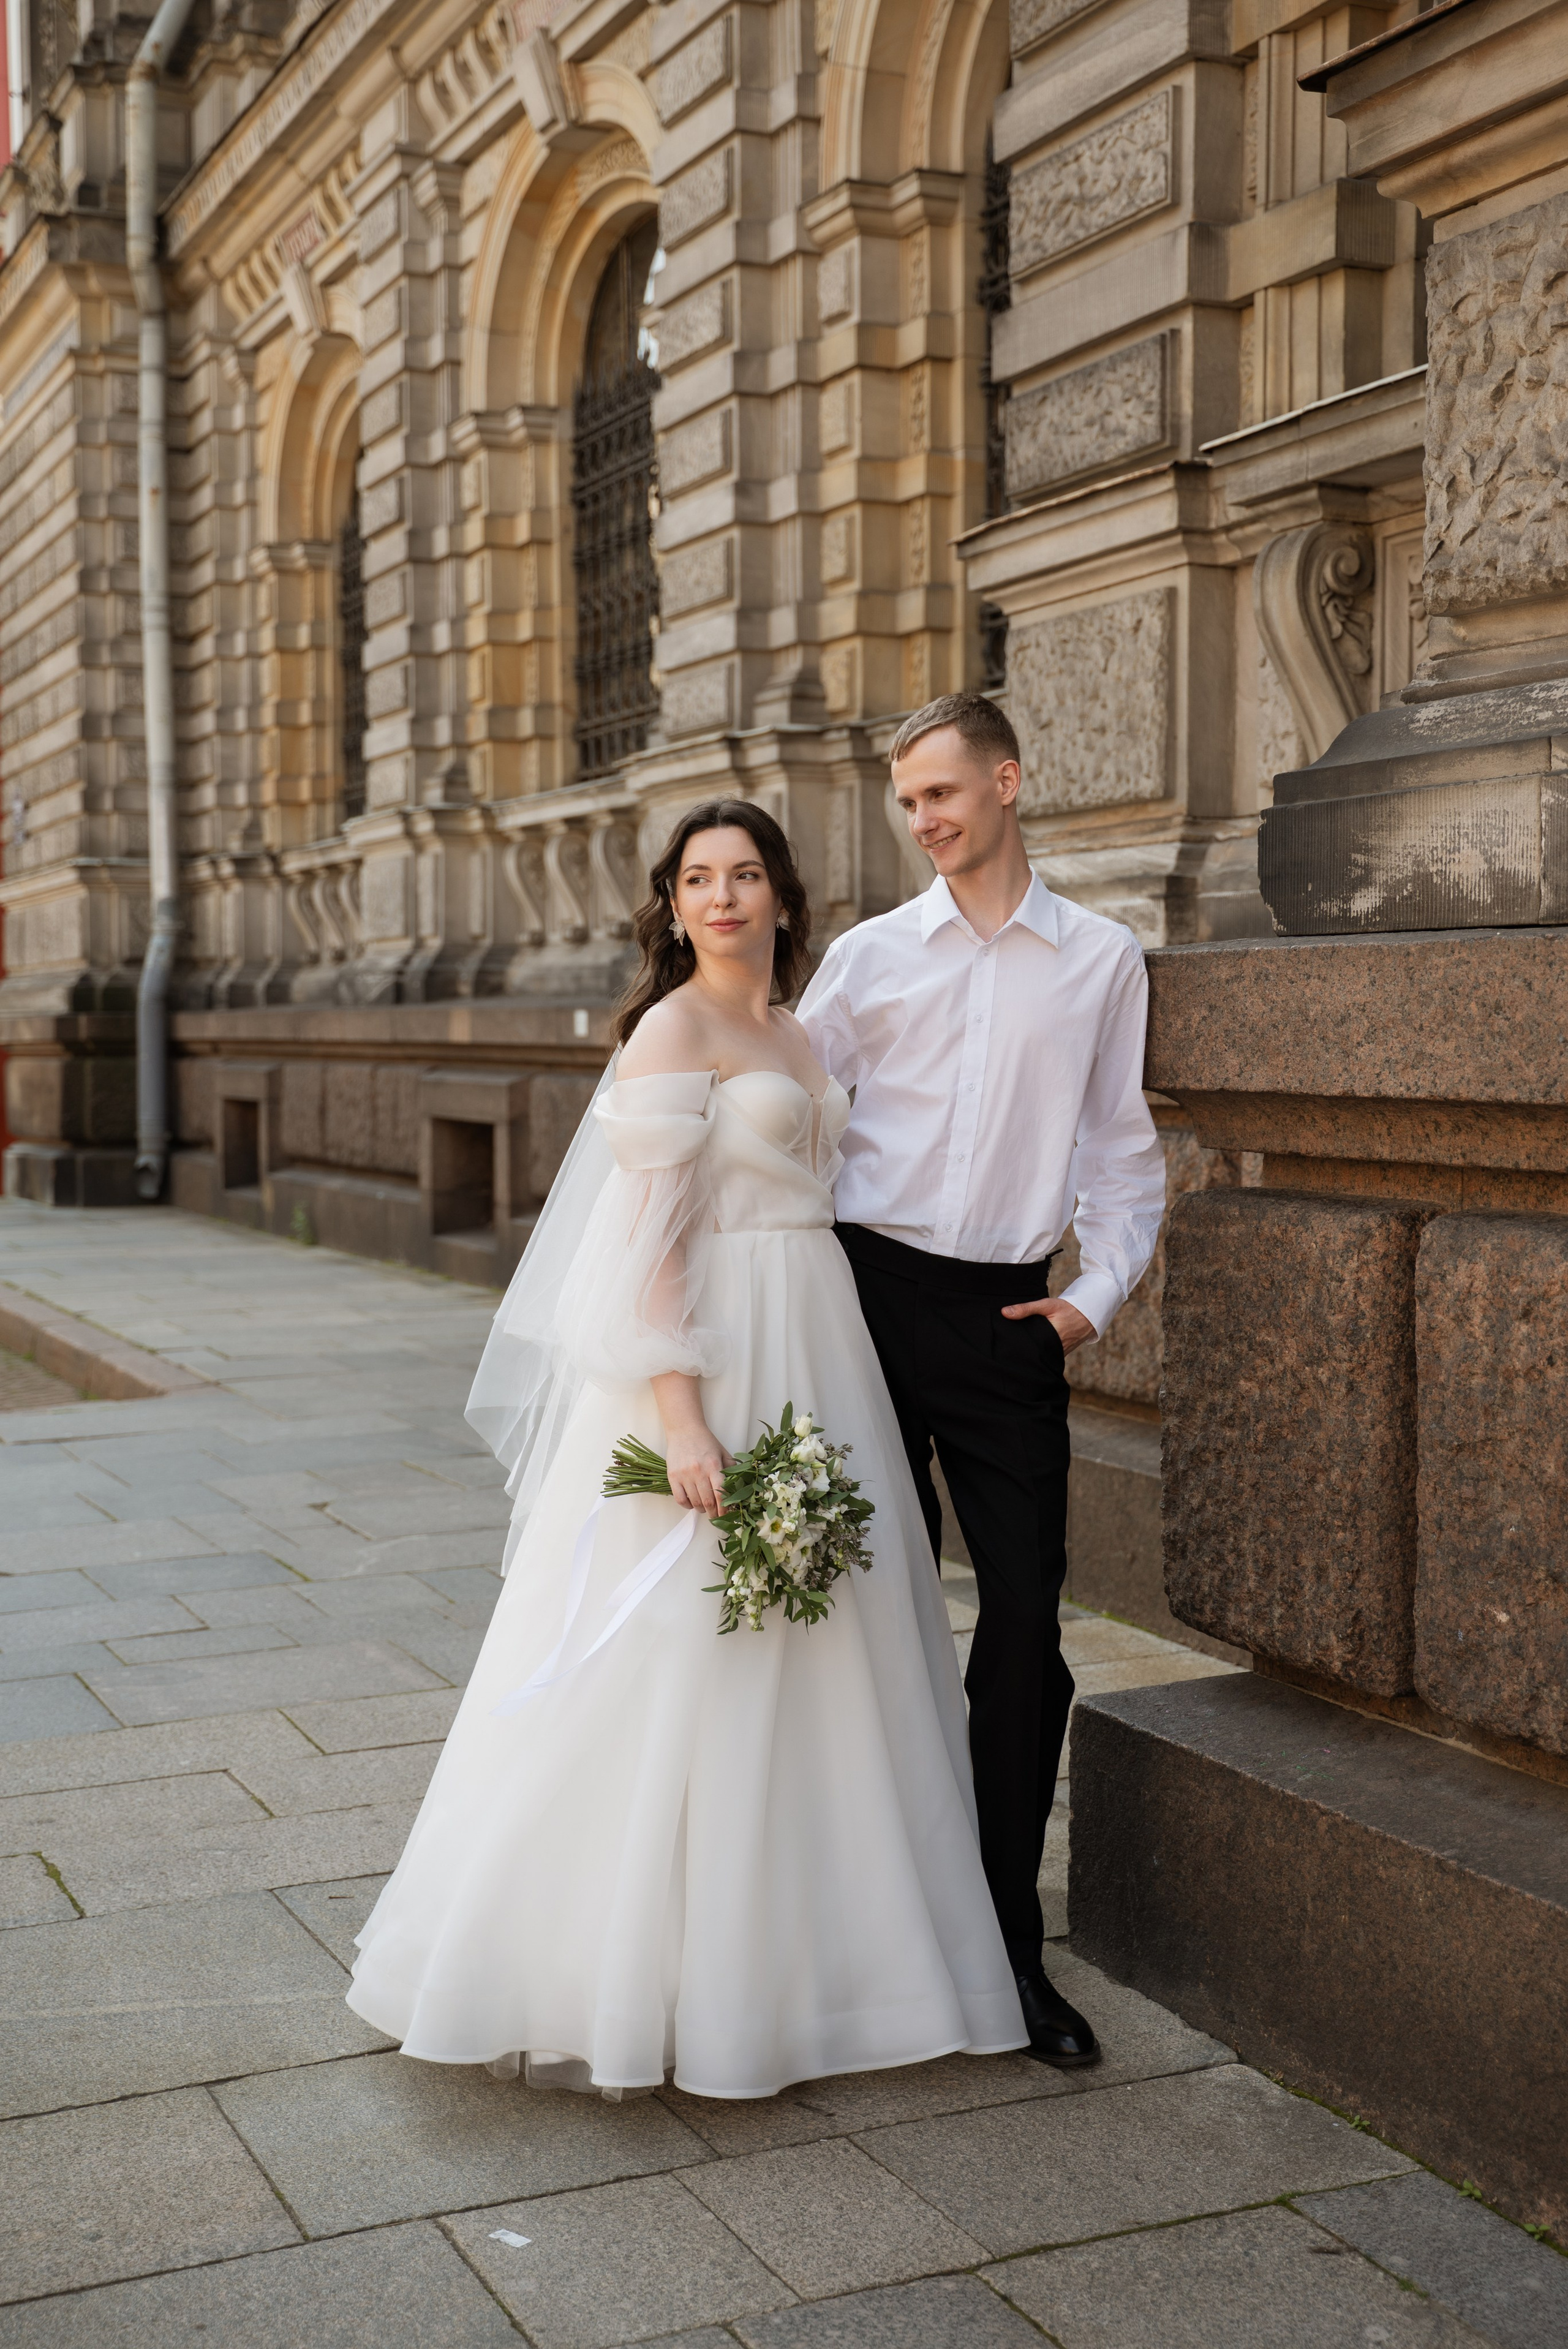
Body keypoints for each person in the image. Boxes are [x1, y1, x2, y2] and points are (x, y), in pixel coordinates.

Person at [347, 797, 1028, 2098]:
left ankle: (824, 1963)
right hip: (715, 1352)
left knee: (831, 1648)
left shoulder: (795, 1024)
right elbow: (641, 1247)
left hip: (820, 1344)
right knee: (686, 1646)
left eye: (745, 874)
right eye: (697, 880)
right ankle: (632, 1974)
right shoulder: (671, 1029)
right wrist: (679, 1418)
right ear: (673, 906)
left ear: (781, 894)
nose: (721, 897)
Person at [797, 693, 1166, 2067]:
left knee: (1024, 1636)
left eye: (943, 793)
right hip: (868, 1301)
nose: (924, 820)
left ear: (1007, 782)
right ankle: (849, 1924)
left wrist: (1083, 1309)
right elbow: (792, 1122)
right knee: (852, 1616)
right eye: (907, 802)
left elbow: (1122, 1156)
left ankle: (1006, 1947)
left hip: (1012, 1319)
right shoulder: (868, 958)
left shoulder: (1100, 961)